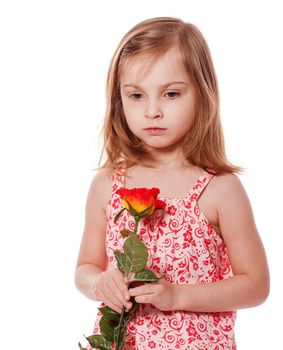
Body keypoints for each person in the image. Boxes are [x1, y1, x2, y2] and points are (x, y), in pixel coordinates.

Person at [75, 17, 270, 349]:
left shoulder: (219, 189)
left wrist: (178, 294)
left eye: (171, 94)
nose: (152, 111)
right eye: (136, 95)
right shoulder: (108, 185)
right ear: (118, 100)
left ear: (202, 93)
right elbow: (85, 267)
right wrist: (99, 284)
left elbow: (256, 285)